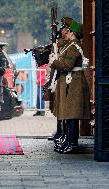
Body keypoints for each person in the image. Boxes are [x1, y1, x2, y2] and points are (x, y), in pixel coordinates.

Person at [50, 17, 90, 153]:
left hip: (73, 82)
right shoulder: (69, 44)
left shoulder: (73, 46)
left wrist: (54, 62)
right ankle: (68, 140)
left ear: (71, 31)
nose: (63, 30)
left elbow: (66, 66)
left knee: (71, 114)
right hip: (69, 82)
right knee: (67, 113)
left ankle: (72, 143)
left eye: (65, 29)